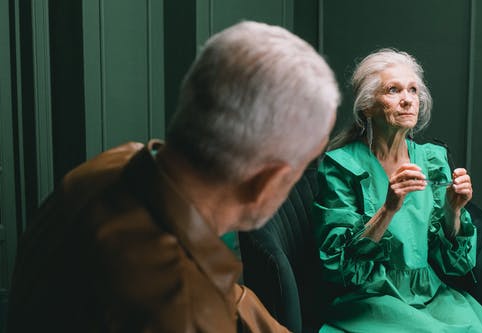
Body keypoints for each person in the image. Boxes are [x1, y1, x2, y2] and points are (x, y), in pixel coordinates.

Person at [7, 21, 340, 333]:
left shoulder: (104, 171)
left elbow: (224, 294)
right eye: (303, 166)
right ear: (266, 181)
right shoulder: (186, 312)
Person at [313, 48, 482, 332]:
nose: (407, 100)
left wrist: (453, 211)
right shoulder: (341, 165)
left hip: (431, 295)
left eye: (413, 90)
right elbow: (339, 268)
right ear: (367, 107)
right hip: (374, 299)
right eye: (393, 90)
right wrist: (388, 208)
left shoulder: (432, 159)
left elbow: (455, 265)